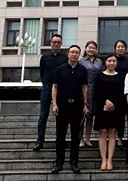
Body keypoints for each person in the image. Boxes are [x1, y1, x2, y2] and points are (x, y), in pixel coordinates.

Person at [50, 44, 89, 174]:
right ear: (68, 53)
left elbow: (84, 88)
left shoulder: (83, 70)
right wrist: (54, 104)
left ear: (79, 55)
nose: (74, 54)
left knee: (75, 136)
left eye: (77, 52)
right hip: (62, 106)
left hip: (77, 106)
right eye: (72, 52)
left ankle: (74, 162)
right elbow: (55, 87)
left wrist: (85, 104)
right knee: (60, 136)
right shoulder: (60, 69)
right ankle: (58, 162)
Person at [34, 33, 67, 151]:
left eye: (58, 42)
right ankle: (40, 140)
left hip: (61, 88)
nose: (56, 44)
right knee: (43, 115)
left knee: (61, 115)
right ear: (50, 43)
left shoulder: (65, 57)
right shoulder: (45, 57)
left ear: (61, 44)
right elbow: (41, 72)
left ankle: (60, 139)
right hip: (47, 87)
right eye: (54, 42)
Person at [94, 54, 125, 171]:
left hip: (116, 108)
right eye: (109, 61)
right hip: (102, 107)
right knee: (102, 132)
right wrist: (105, 101)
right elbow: (97, 92)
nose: (112, 63)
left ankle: (110, 159)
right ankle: (103, 159)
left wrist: (113, 103)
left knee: (112, 132)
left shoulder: (121, 76)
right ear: (105, 62)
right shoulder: (99, 76)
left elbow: (122, 92)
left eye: (114, 61)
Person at [79, 40, 103, 147]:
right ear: (85, 49)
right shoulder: (81, 61)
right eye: (89, 47)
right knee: (82, 116)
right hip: (84, 88)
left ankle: (87, 138)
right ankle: (80, 139)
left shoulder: (99, 61)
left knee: (91, 116)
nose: (91, 49)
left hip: (96, 89)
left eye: (93, 48)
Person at [113, 39, 128, 149]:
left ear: (126, 49)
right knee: (119, 117)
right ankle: (119, 138)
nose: (120, 48)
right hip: (116, 92)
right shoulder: (112, 60)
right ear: (115, 48)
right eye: (118, 46)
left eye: (122, 47)